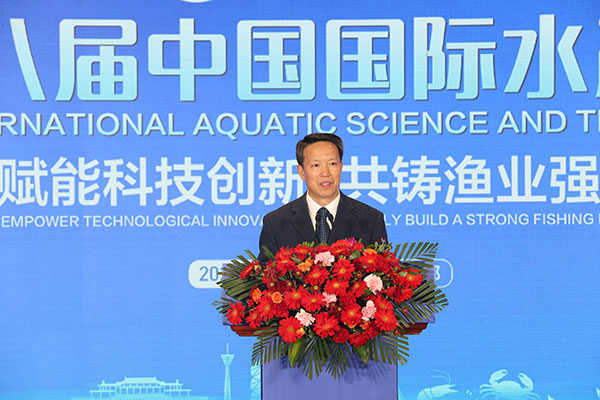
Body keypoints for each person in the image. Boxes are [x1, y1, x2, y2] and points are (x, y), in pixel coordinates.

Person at [258, 133, 387, 262]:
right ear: (301, 172)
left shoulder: (371, 220)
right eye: (316, 165)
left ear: (341, 167)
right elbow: (266, 272)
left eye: (332, 164)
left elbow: (384, 269)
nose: (325, 173)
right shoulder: (275, 223)